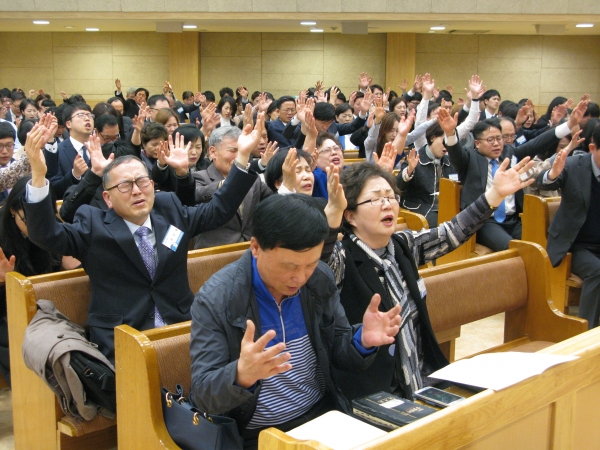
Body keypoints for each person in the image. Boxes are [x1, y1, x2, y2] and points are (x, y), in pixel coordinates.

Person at [22, 117, 264, 362]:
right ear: (107, 198)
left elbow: (217, 211)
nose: (137, 191)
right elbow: (46, 235)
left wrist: (242, 157)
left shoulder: (169, 208)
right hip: (122, 337)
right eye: (125, 186)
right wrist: (39, 175)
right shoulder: (93, 224)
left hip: (182, 324)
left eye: (142, 182)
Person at [189, 193, 402, 449]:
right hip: (254, 434)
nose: (300, 278)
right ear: (255, 247)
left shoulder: (318, 279)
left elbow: (338, 350)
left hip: (322, 416)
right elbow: (202, 396)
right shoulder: (216, 299)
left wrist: (362, 341)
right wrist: (241, 375)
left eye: (310, 264)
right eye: (289, 266)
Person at [325, 156, 535, 401]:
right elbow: (318, 262)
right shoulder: (342, 258)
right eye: (375, 199)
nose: (387, 204)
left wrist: (495, 195)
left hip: (420, 375)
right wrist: (333, 213)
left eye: (390, 196)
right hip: (373, 390)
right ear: (350, 216)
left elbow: (451, 233)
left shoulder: (403, 245)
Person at [441, 100, 587, 251]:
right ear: (477, 143)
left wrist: (569, 125)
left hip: (514, 218)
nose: (496, 144)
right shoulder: (470, 158)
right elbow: (455, 152)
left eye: (499, 138)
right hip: (485, 221)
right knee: (512, 248)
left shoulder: (509, 153)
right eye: (490, 140)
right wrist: (450, 133)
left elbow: (537, 143)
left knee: (539, 245)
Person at [0, 175, 79, 386]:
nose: (35, 226)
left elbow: (69, 269)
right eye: (27, 220)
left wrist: (75, 262)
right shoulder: (2, 236)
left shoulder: (52, 227)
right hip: (9, 312)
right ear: (12, 211)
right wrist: (3, 283)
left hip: (50, 306)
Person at [538, 125, 600, 328]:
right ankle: (586, 332)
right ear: (592, 148)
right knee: (598, 271)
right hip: (575, 245)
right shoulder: (573, 165)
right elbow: (543, 183)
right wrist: (552, 174)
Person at [397, 123, 458, 228]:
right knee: (443, 227)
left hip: (444, 207)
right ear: (433, 138)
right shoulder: (416, 158)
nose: (446, 146)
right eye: (444, 141)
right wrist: (409, 171)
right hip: (420, 208)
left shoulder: (449, 162)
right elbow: (398, 185)